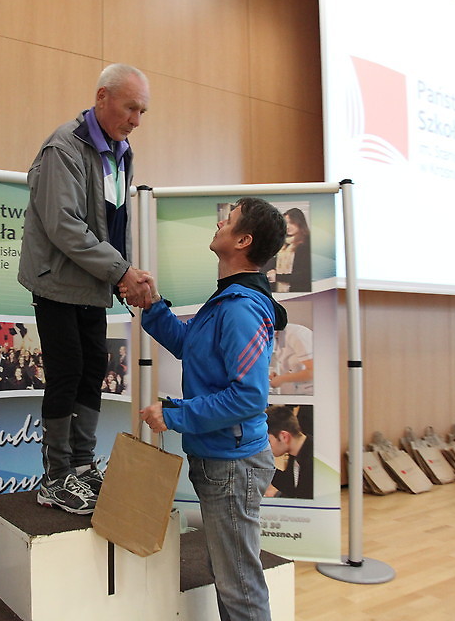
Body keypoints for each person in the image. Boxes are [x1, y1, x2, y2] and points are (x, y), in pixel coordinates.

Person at [133, 197, 288, 621]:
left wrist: (174, 415)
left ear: (243, 240)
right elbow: (190, 345)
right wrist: (153, 304)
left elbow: (248, 397)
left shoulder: (241, 308)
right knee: (230, 576)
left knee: (239, 586)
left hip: (232, 466)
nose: (220, 222)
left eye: (229, 219)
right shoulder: (228, 300)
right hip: (220, 460)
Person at [18, 63, 152, 515]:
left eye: (142, 111)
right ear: (102, 97)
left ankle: (80, 465)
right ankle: (55, 478)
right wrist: (120, 272)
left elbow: (115, 221)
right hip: (58, 281)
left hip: (93, 282)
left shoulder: (121, 151)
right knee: (67, 371)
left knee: (94, 366)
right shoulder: (63, 148)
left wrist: (125, 273)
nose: (136, 120)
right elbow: (65, 227)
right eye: (130, 108)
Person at [265, 405, 313, 499]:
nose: (266, 447)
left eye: (268, 441)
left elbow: (302, 498)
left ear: (284, 436)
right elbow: (291, 486)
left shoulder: (312, 461)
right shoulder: (297, 453)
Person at [263, 207, 311, 293]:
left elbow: (304, 275)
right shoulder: (281, 242)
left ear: (300, 223)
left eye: (291, 223)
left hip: (299, 293)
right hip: (278, 293)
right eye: (286, 223)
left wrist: (278, 277)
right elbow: (269, 264)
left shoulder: (306, 244)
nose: (288, 227)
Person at [269, 323, 313, 395]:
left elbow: (313, 372)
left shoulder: (295, 334)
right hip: (298, 393)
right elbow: (295, 369)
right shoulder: (278, 338)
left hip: (313, 394)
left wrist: (282, 379)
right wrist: (279, 377)